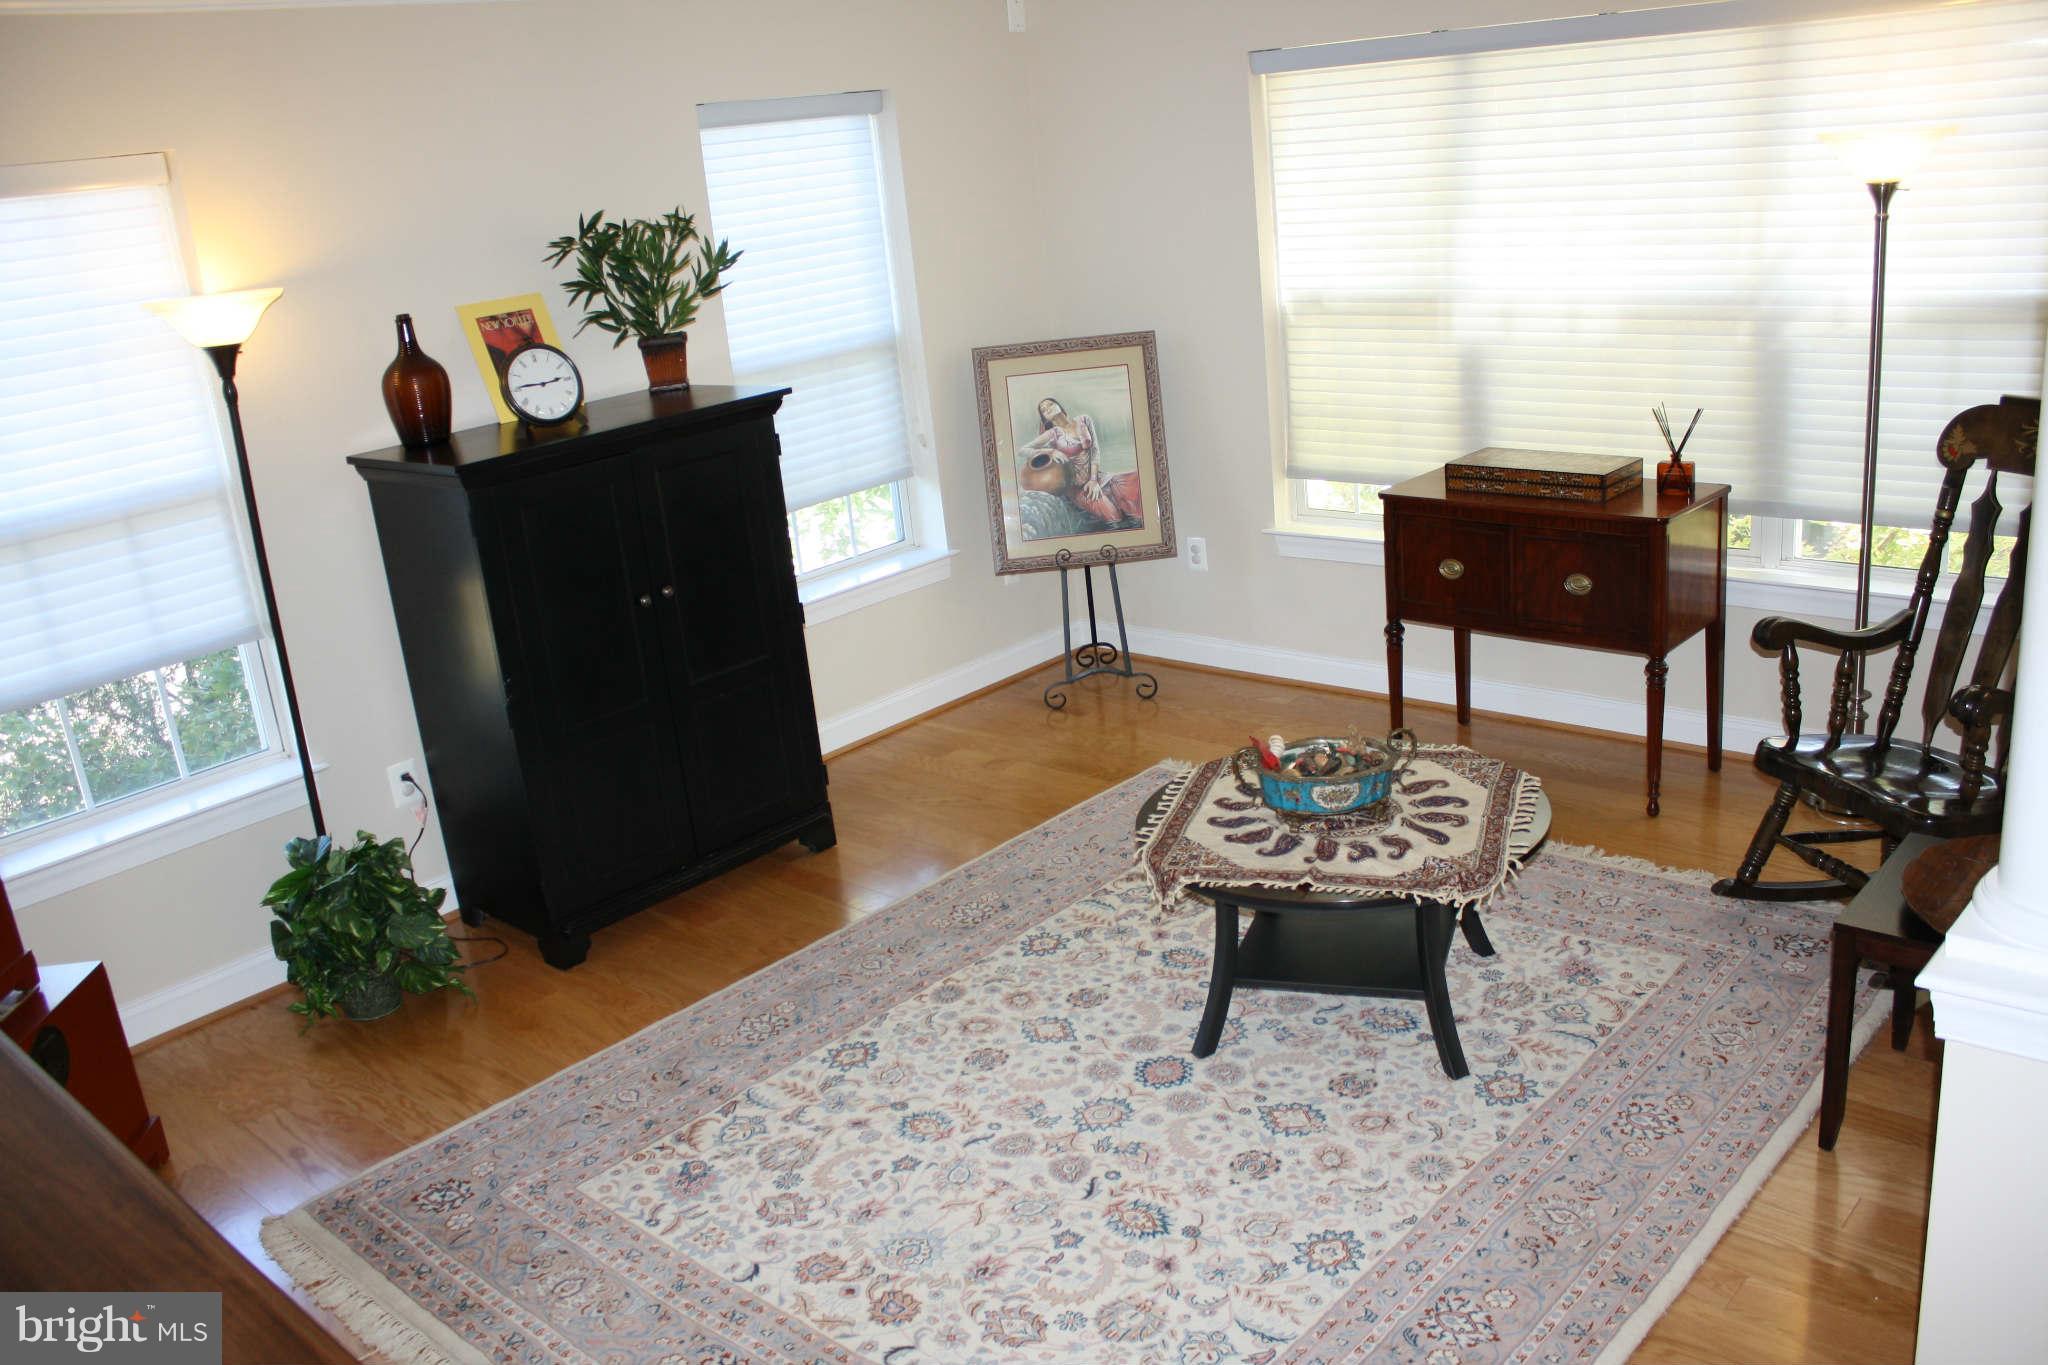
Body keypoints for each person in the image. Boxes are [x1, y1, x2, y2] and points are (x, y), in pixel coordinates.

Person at [1015, 397, 1144, 529]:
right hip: (1075, 487)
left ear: (1059, 406)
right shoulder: (1053, 433)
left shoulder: (1084, 420)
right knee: (1114, 516)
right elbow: (1022, 450)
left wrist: (1093, 480)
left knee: (1136, 483)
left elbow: (1095, 450)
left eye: (1050, 404)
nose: (1047, 408)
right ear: (1045, 418)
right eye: (1044, 410)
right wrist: (1051, 451)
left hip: (1096, 477)